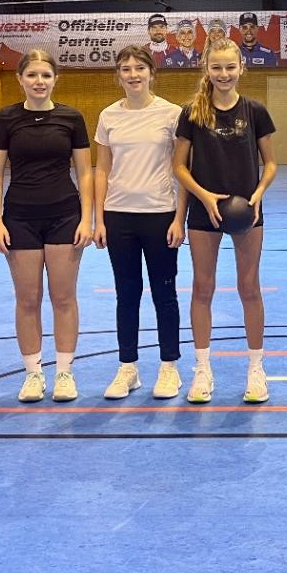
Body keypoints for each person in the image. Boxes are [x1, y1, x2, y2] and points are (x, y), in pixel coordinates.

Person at [0, 49, 94, 404]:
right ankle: (33, 374)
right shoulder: (5, 118)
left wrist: (87, 218)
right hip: (20, 219)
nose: (39, 81)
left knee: (63, 298)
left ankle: (64, 372)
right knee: (27, 299)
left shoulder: (71, 118)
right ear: (20, 79)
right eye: (32, 75)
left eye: (45, 75)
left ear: (55, 79)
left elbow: (85, 172)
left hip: (65, 216)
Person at [173, 37, 278, 404]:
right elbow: (178, 166)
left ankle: (256, 369)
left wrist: (258, 194)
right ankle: (202, 369)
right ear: (206, 69)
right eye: (216, 67)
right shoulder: (192, 113)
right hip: (205, 212)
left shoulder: (255, 110)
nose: (224, 74)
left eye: (230, 67)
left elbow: (271, 163)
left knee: (249, 288)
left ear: (241, 68)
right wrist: (204, 196)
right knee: (202, 288)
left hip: (247, 211)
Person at [92, 45, 187, 399]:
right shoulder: (108, 116)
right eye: (126, 69)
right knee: (126, 294)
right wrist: (99, 218)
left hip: (160, 215)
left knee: (165, 293)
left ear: (152, 73)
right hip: (119, 217)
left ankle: (169, 367)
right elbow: (102, 169)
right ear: (118, 75)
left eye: (139, 68)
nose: (133, 74)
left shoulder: (172, 114)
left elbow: (182, 170)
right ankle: (128, 368)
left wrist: (179, 218)